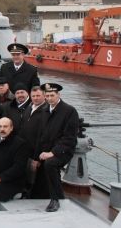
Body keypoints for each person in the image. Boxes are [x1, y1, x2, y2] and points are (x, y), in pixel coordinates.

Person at [36, 82, 79, 212]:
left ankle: (55, 199)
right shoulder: (44, 110)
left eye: (52, 95)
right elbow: (41, 135)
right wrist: (37, 155)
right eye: (47, 96)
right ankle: (57, 196)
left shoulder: (69, 111)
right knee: (38, 165)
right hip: (48, 148)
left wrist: (52, 153)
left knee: (50, 164)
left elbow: (69, 138)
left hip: (64, 150)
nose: (49, 98)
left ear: (58, 95)